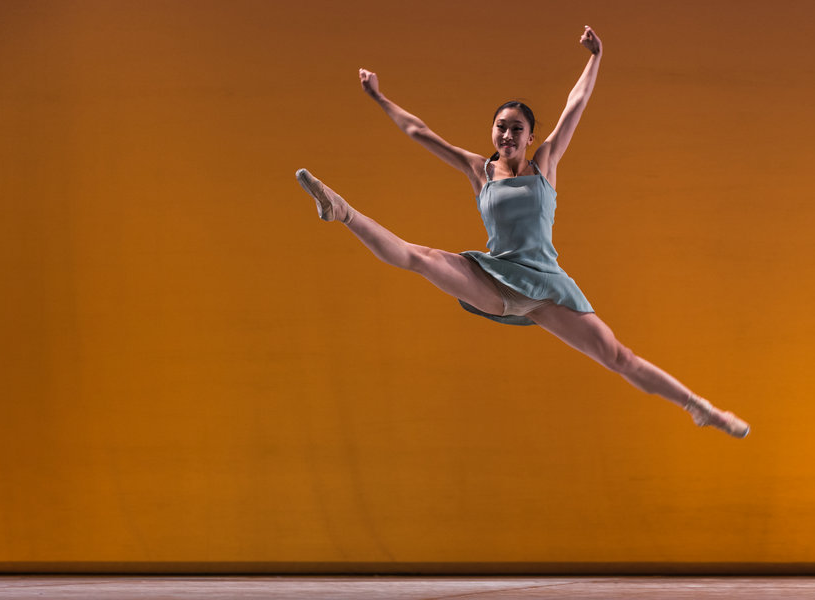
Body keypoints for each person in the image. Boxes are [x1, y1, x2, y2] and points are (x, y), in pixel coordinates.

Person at [295, 26, 750, 438]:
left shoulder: (545, 164)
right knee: (420, 257)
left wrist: (595, 58)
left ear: (530, 136)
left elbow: (576, 106)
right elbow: (419, 131)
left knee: (619, 358)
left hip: (548, 287)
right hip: (494, 279)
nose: (507, 135)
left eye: (517, 128)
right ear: (492, 132)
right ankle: (341, 210)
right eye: (501, 127)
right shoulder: (479, 170)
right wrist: (378, 97)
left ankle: (699, 407)